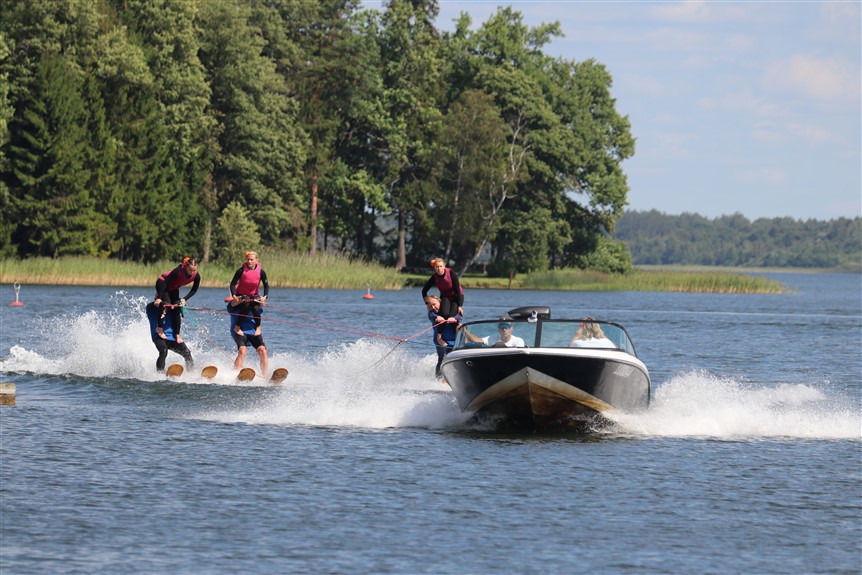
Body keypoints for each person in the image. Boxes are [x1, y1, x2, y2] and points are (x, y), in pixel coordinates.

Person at [154, 257, 200, 344]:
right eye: (190, 270)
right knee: (166, 304)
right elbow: (165, 282)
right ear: (186, 266)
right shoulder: (178, 271)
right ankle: (159, 328)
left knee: (177, 306)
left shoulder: (196, 276)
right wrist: (159, 297)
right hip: (162, 284)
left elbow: (194, 290)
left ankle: (177, 334)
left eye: (194, 270)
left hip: (174, 288)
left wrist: (184, 299)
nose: (192, 272)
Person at [229, 251, 269, 337]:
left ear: (256, 261)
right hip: (241, 294)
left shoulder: (261, 272)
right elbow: (232, 284)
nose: (249, 261)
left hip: (253, 295)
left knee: (255, 307)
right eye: (248, 259)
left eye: (251, 260)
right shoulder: (241, 270)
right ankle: (237, 327)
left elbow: (266, 286)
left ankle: (258, 327)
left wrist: (265, 297)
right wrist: (234, 296)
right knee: (247, 304)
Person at [146, 301, 193, 372]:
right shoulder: (151, 307)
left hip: (172, 338)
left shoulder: (172, 306)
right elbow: (157, 303)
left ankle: (191, 372)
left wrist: (181, 303)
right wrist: (161, 302)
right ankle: (160, 374)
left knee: (187, 353)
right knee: (163, 351)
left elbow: (178, 307)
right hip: (159, 337)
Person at [229, 299, 269, 378]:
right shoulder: (233, 306)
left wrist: (262, 299)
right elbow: (233, 303)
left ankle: (266, 376)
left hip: (254, 332)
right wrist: (241, 298)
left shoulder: (255, 305)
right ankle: (235, 373)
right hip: (239, 332)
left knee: (262, 350)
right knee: (242, 350)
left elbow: (262, 304)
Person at [425, 295, 462, 378]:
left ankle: (455, 377)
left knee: (455, 359)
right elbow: (433, 317)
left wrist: (455, 319)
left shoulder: (450, 311)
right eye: (430, 306)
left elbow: (460, 316)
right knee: (442, 358)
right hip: (441, 340)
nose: (433, 307)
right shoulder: (431, 313)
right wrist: (438, 317)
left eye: (434, 304)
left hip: (454, 340)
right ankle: (439, 379)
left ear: (440, 302)